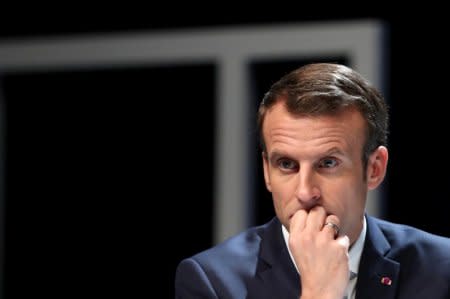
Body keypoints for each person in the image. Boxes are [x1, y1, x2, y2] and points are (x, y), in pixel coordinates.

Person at [174, 63, 450, 299]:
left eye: (328, 163)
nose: (306, 192)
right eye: (286, 164)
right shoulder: (213, 282)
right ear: (267, 172)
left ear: (374, 169)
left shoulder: (442, 269)